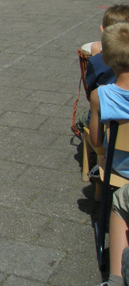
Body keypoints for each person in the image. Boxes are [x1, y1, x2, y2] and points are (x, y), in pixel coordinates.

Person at [90, 23, 129, 286]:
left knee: (119, 204)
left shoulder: (100, 95)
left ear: (105, 58)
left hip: (118, 167)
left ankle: (115, 277)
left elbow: (96, 141)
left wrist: (101, 156)